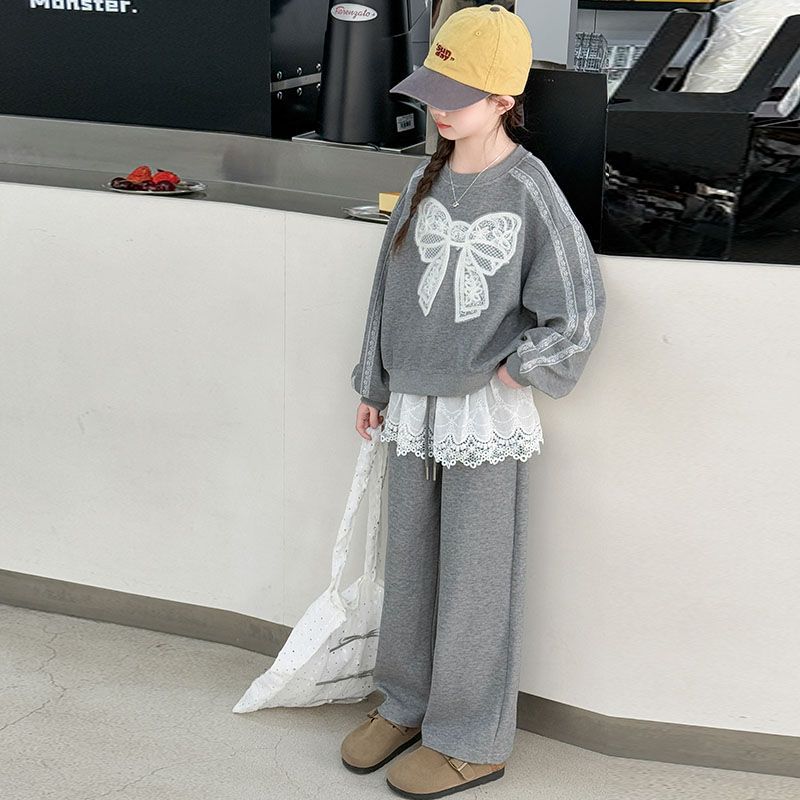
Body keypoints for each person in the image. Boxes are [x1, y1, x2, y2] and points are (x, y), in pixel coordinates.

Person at [343, 5, 607, 797]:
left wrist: (519, 369)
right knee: (410, 565)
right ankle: (406, 703)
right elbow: (388, 292)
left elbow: (580, 307)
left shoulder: (528, 189)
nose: (438, 108)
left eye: (455, 96)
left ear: (502, 100)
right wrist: (375, 382)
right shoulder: (425, 179)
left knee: (475, 579)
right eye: (433, 91)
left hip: (480, 416)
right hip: (412, 407)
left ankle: (471, 737)